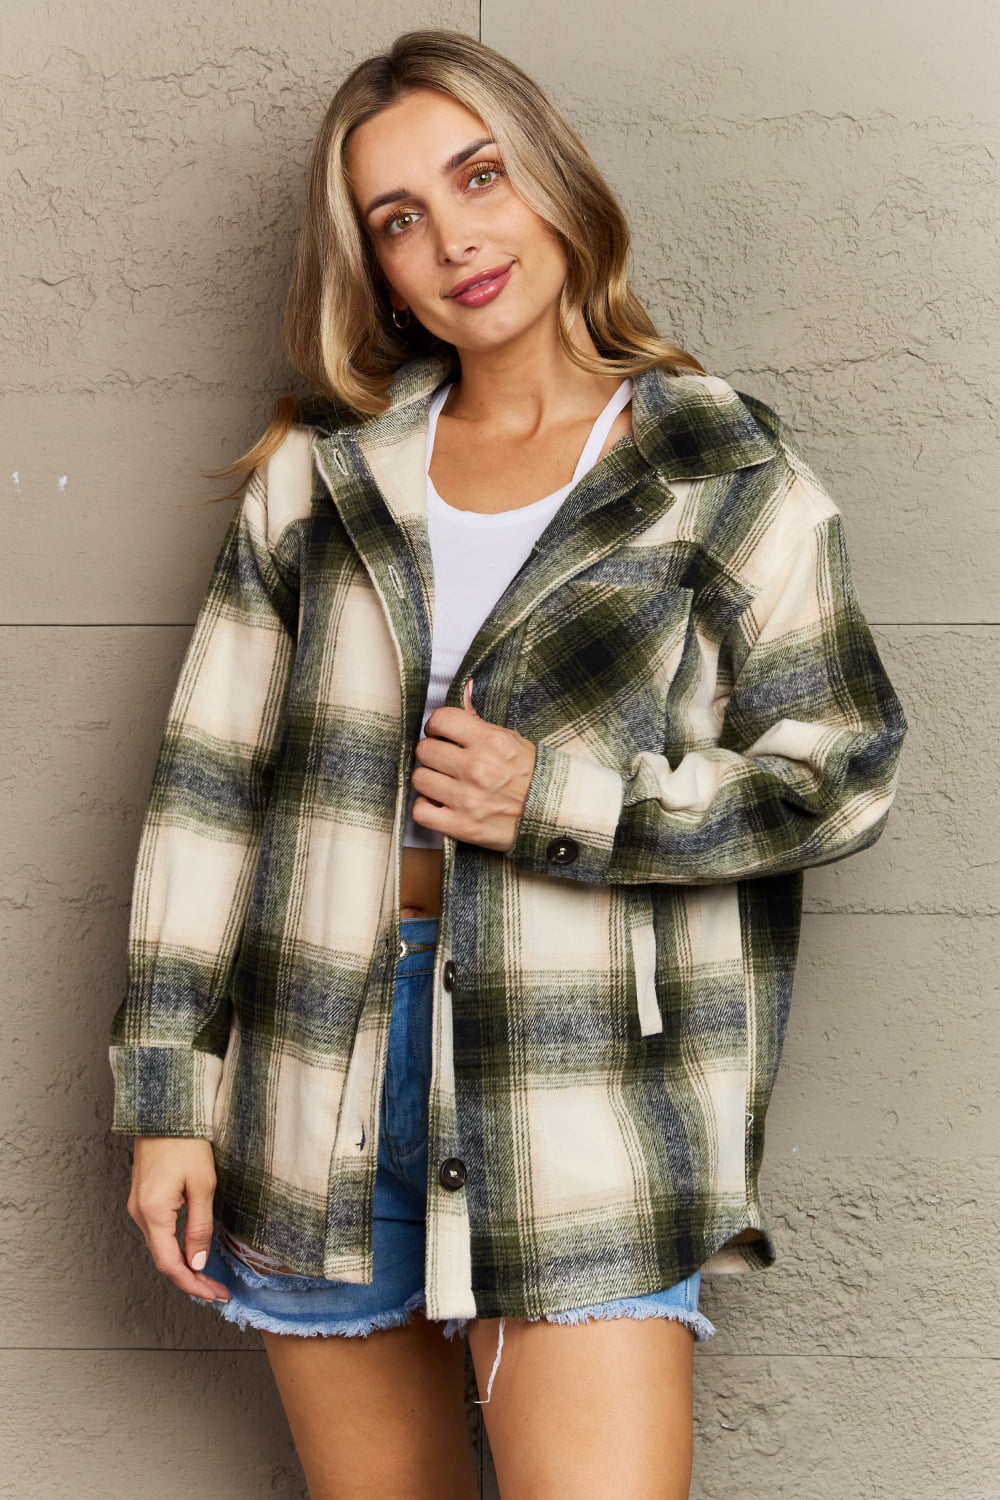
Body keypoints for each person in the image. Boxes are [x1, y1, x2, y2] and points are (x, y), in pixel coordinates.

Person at [108, 29, 907, 1500]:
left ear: (553, 182)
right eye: (398, 218)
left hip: (584, 1082)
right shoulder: (320, 474)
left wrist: (565, 806)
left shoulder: (719, 467)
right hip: (318, 1076)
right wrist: (168, 1093)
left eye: (480, 178)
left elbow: (843, 767)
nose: (454, 240)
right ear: (375, 270)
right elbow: (208, 793)